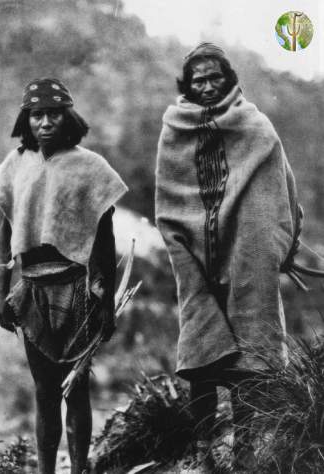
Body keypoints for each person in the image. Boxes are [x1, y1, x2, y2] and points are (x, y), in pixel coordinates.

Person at [155, 43, 302, 471]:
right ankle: (203, 450)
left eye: (214, 77)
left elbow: (280, 189)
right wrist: (184, 246)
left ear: (229, 78)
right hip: (194, 260)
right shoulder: (173, 130)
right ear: (187, 84)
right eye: (197, 79)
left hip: (247, 255)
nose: (205, 86)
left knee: (248, 354)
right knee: (201, 353)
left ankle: (245, 448)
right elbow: (168, 203)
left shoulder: (256, 126)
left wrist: (275, 241)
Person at [0, 78, 128, 474]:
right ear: (26, 119)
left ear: (68, 117)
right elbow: (6, 232)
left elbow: (105, 235)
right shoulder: (16, 164)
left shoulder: (91, 167)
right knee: (44, 390)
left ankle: (79, 469)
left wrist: (108, 300)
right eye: (37, 115)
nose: (45, 123)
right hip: (33, 289)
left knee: (76, 388)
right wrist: (2, 292)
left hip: (77, 289)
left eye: (54, 114)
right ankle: (47, 470)